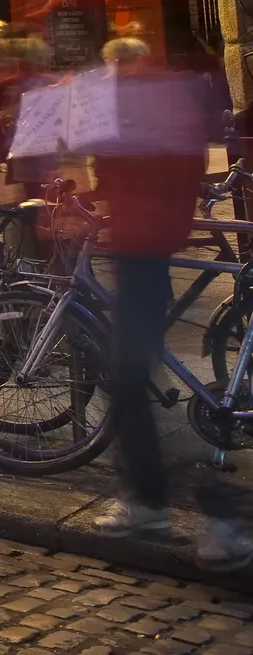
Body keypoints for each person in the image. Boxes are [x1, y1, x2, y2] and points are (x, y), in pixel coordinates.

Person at [86, 40, 253, 569]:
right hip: (144, 244)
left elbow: (147, 174)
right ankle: (165, 502)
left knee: (130, 379)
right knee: (132, 378)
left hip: (145, 248)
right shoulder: (159, 101)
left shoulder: (146, 106)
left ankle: (199, 509)